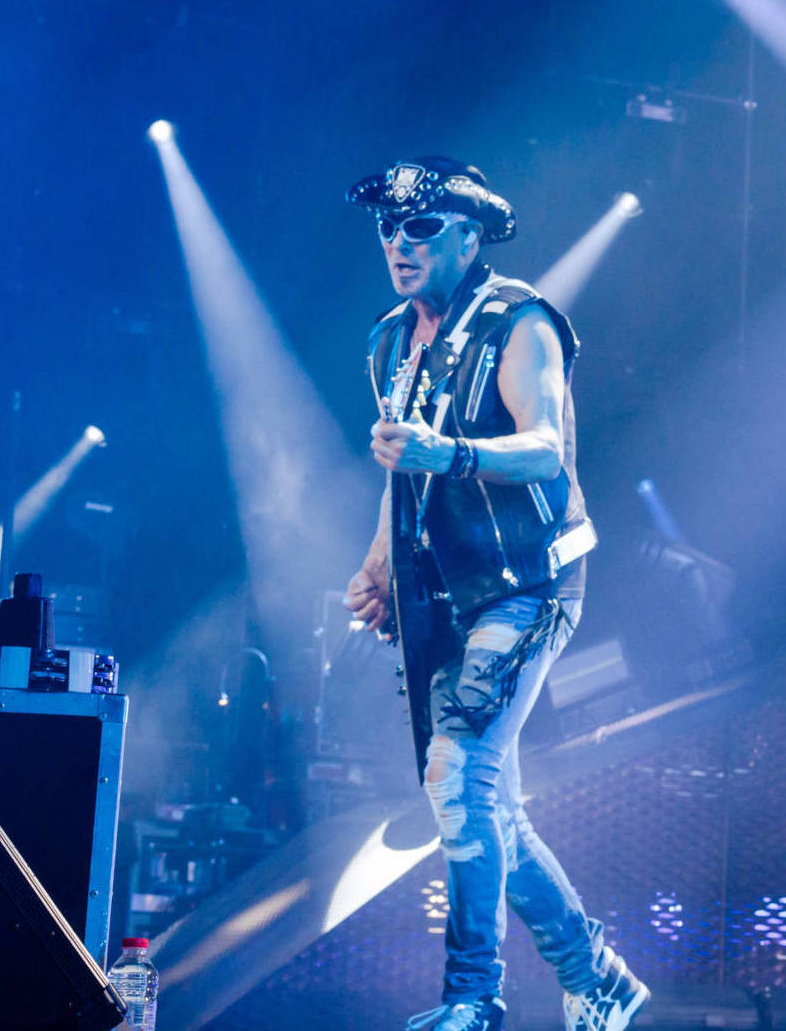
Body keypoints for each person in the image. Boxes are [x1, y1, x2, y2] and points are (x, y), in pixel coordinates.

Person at [341, 157, 649, 1031]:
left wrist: (455, 454)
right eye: (389, 228)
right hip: (447, 594)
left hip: (529, 584)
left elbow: (547, 447)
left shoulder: (521, 321)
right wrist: (378, 562)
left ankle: (472, 999)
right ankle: (598, 977)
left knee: (456, 773)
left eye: (423, 227)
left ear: (469, 235)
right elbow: (402, 463)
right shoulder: (385, 339)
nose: (400, 243)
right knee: (490, 810)